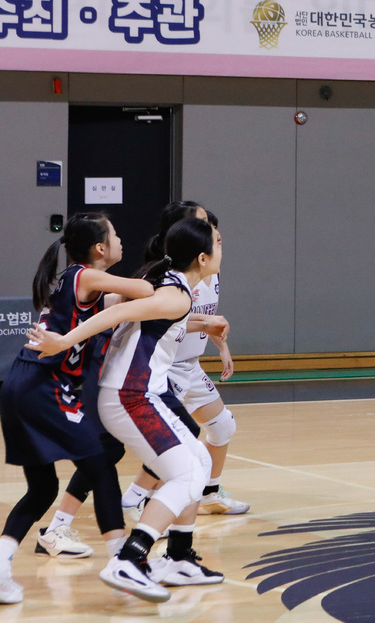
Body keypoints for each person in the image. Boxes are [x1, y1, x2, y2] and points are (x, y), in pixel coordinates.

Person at [28, 216, 229, 603]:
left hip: (135, 393)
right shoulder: (177, 294)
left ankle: (178, 557)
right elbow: (116, 314)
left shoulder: (173, 286)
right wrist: (64, 341)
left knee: (199, 461)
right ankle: (130, 559)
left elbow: (150, 318)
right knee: (187, 474)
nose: (222, 249)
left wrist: (204, 325)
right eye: (218, 244)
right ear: (202, 258)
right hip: (130, 395)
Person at [0, 214, 152, 602]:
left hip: (19, 384)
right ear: (100, 248)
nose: (120, 239)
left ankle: (0, 566)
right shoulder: (85, 276)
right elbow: (143, 289)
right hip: (43, 386)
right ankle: (122, 561)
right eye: (115, 234)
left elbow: (121, 303)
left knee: (43, 488)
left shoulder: (80, 285)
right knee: (100, 465)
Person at [121, 203, 246, 517]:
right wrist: (205, 324)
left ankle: (209, 493)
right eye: (203, 223)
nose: (213, 229)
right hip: (165, 368)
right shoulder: (169, 278)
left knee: (222, 426)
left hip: (191, 364)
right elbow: (166, 316)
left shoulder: (210, 269)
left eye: (211, 224)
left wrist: (221, 346)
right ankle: (139, 497)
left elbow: (205, 316)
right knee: (178, 439)